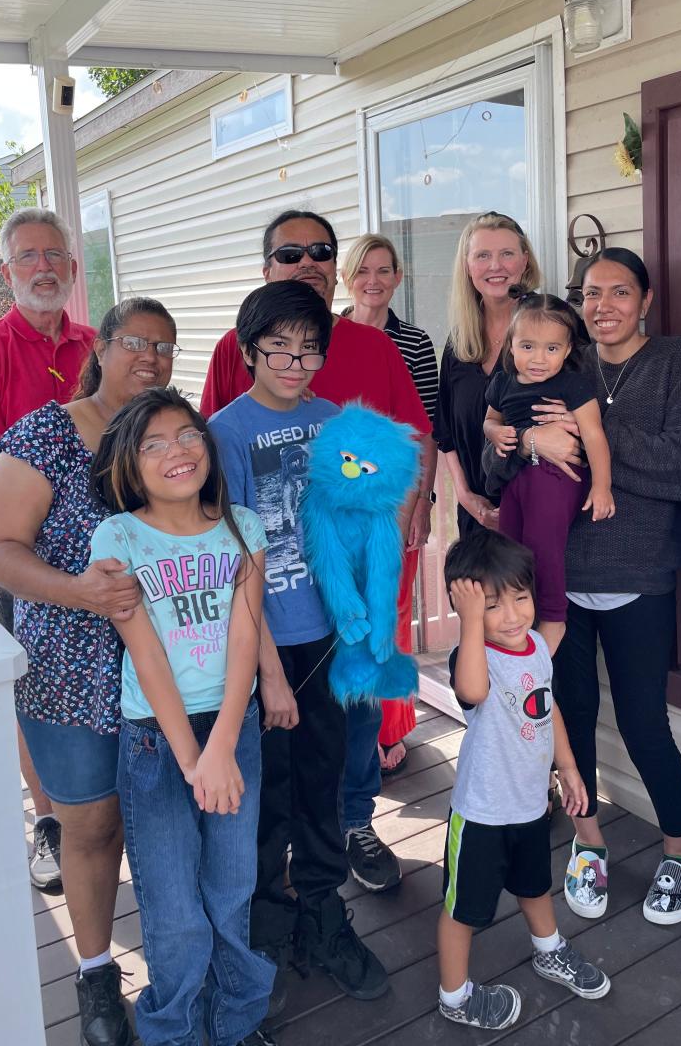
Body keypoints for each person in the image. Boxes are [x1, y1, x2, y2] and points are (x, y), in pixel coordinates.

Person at [485, 248, 681, 928]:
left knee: (646, 724)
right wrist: (530, 441)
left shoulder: (674, 364)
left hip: (639, 577)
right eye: (591, 293)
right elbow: (494, 467)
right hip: (558, 583)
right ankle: (589, 846)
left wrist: (590, 434)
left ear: (646, 301)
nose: (604, 305)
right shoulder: (557, 361)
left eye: (621, 292)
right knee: (569, 721)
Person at [202, 209, 431, 896]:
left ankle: (354, 825)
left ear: (337, 266)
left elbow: (408, 443)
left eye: (321, 251)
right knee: (279, 744)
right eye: (289, 252)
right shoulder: (231, 355)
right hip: (268, 599)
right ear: (267, 266)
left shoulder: (372, 348)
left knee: (353, 712)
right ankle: (273, 883)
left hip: (351, 578)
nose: (307, 262)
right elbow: (219, 484)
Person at [0, 297, 179, 1046]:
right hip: (71, 668)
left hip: (170, 667)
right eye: (136, 342)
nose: (152, 356)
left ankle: (181, 970)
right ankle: (96, 976)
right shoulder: (45, 434)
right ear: (103, 346)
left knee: (165, 825)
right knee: (91, 826)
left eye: (166, 345)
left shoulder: (171, 436)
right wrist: (76, 590)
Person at [209, 281, 390, 1007]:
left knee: (325, 779)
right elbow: (233, 559)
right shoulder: (224, 430)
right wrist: (269, 674)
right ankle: (267, 927)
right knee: (265, 795)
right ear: (250, 350)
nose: (295, 360)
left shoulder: (334, 421)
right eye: (278, 346)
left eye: (309, 347)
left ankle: (323, 912)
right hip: (264, 644)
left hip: (332, 637)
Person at [89, 387, 275, 1046]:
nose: (178, 451)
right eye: (155, 443)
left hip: (232, 726)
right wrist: (196, 761)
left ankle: (236, 1020)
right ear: (129, 465)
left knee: (231, 889)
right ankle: (173, 1031)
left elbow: (246, 641)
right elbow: (146, 657)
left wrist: (223, 743)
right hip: (156, 742)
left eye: (189, 435)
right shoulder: (116, 536)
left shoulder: (241, 526)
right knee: (174, 910)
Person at [0, 206, 95, 891]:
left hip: (112, 556)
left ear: (71, 267)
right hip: (27, 558)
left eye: (54, 255)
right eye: (28, 257)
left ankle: (102, 814)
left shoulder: (100, 344)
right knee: (34, 691)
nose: (43, 267)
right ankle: (49, 821)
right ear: (7, 272)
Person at [437, 530, 610, 1030]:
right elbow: (470, 690)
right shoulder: (474, 655)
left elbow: (546, 705)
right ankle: (455, 996)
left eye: (520, 597)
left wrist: (570, 767)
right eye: (492, 605)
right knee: (462, 908)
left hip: (531, 805)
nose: (512, 616)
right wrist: (471, 622)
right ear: (466, 609)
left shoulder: (534, 645)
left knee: (535, 885)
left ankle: (548, 949)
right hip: (483, 813)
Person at [341, 232, 439, 777]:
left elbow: (424, 430)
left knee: (393, 608)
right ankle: (350, 725)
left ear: (398, 277)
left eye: (383, 270)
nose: (373, 281)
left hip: (397, 493)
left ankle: (390, 725)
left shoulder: (415, 342)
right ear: (347, 278)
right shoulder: (326, 336)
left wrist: (422, 501)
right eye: (363, 271)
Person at [436, 211, 580, 537]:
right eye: (483, 255)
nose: (495, 266)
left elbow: (590, 405)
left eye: (507, 254)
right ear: (467, 265)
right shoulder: (458, 342)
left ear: (525, 260)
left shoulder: (556, 322)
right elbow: (445, 433)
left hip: (545, 514)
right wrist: (466, 496)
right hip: (478, 518)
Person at [484, 290, 615, 629]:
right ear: (511, 345)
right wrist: (495, 433)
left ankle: (553, 619)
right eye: (527, 347)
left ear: (568, 350)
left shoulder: (571, 385)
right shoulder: (502, 382)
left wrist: (602, 487)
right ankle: (517, 624)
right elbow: (490, 420)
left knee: (543, 552)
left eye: (552, 348)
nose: (539, 358)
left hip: (556, 478)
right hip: (516, 479)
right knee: (510, 554)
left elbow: (594, 435)